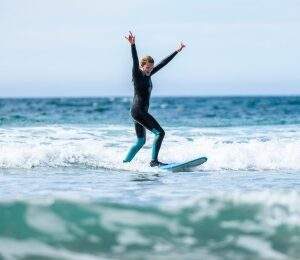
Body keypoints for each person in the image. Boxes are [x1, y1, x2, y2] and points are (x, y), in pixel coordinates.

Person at [123, 31, 186, 167]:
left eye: (151, 68)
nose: (150, 70)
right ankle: (154, 162)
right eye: (147, 67)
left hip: (137, 112)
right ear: (142, 66)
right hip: (139, 111)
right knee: (160, 133)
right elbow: (134, 60)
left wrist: (177, 51)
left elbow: (163, 63)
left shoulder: (148, 75)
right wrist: (133, 45)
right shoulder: (137, 74)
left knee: (140, 141)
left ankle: (125, 163)